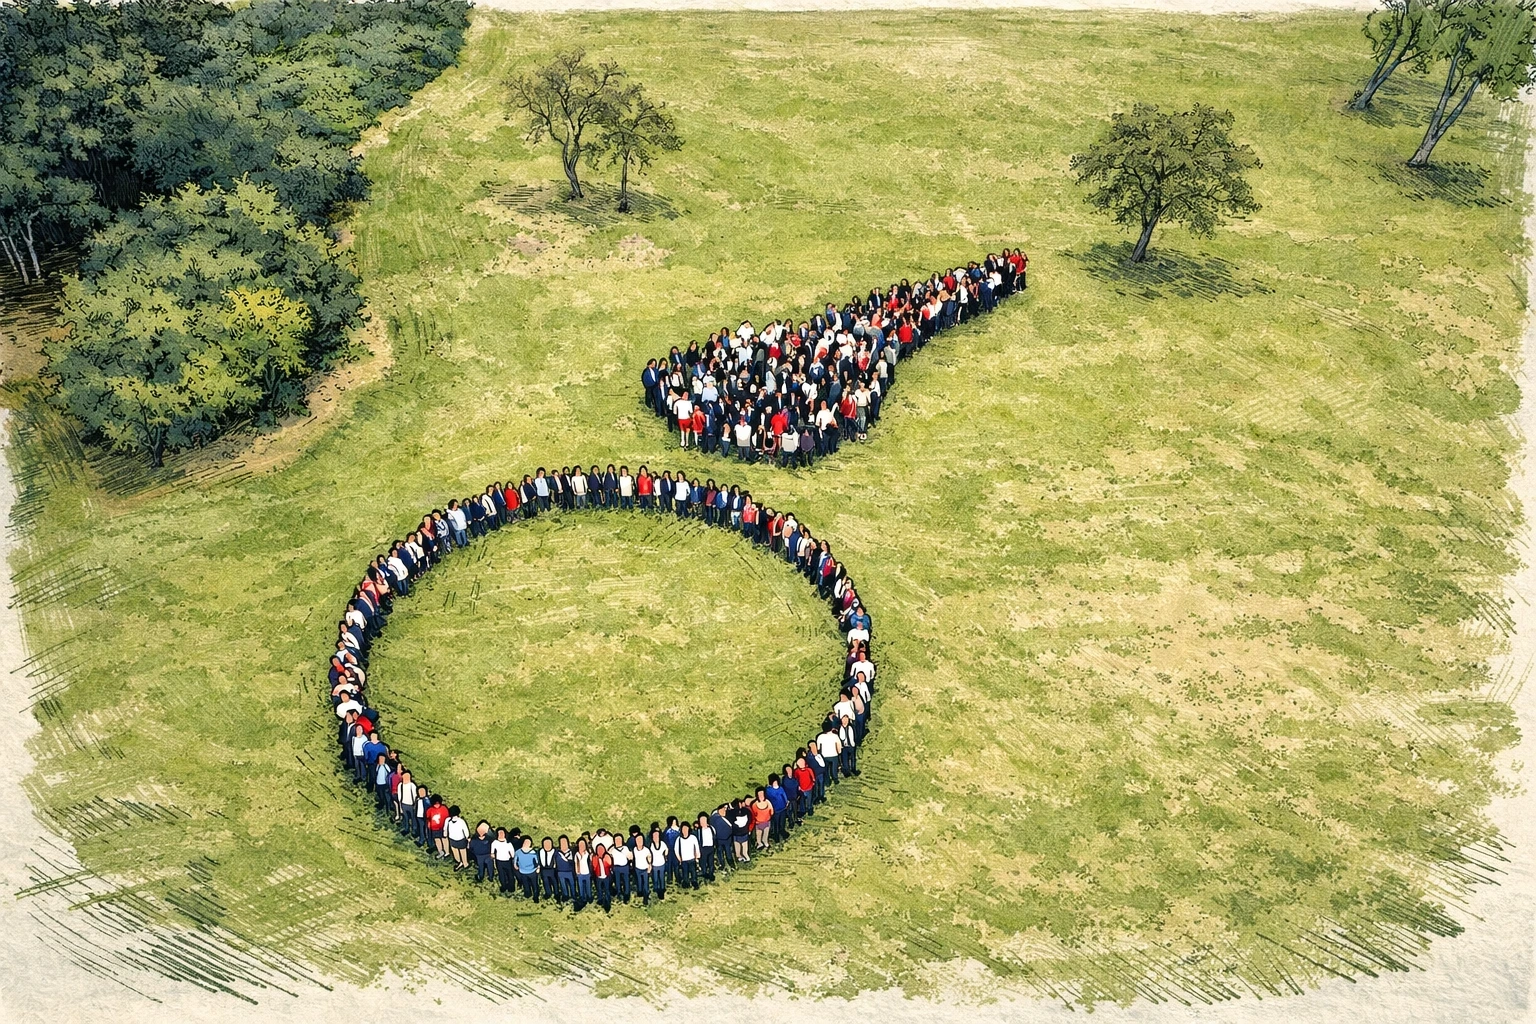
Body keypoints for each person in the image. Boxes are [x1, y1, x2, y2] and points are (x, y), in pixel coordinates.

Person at [674, 823, 701, 890]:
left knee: (693, 872)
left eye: (686, 828)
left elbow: (697, 847)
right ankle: (686, 882)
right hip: (684, 860)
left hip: (692, 859)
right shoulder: (679, 839)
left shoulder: (693, 837)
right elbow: (676, 849)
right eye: (683, 829)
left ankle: (694, 882)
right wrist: (679, 859)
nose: (685, 830)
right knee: (685, 873)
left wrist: (697, 856)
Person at [491, 827, 516, 895]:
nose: (501, 834)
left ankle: (511, 887)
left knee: (510, 875)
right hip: (499, 861)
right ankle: (504, 886)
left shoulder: (508, 843)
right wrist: (493, 859)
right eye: (499, 833)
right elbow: (492, 852)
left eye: (502, 833)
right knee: (501, 875)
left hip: (507, 861)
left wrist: (512, 857)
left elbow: (512, 853)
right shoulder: (495, 843)